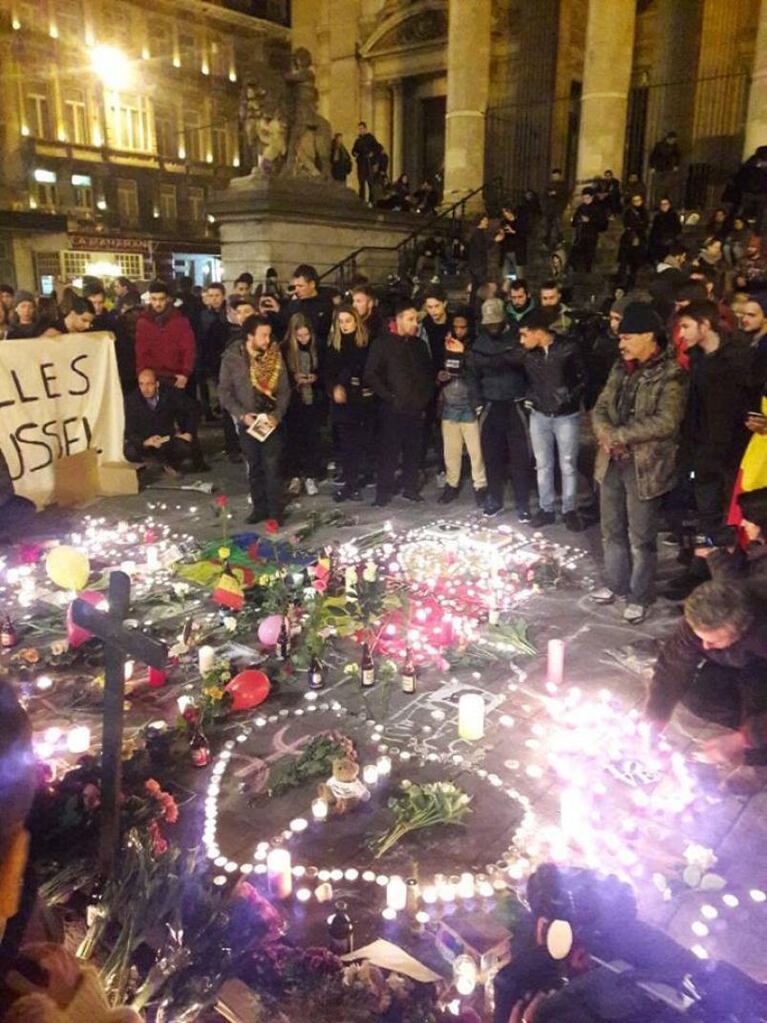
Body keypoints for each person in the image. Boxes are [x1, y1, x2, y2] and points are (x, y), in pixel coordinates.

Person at [591, 302, 688, 623]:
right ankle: (615, 584)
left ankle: (639, 594)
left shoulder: (671, 373)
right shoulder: (620, 368)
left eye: (628, 337)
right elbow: (600, 406)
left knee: (641, 537)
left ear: (649, 336)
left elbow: (667, 421)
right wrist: (606, 434)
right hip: (611, 460)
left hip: (644, 466)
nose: (621, 344)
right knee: (611, 529)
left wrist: (620, 435)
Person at [646, 582, 767, 777]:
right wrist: (656, 716)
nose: (705, 646)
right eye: (700, 638)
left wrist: (744, 738)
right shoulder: (701, 619)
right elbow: (673, 666)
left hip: (761, 669)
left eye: (713, 640)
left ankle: (758, 757)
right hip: (732, 664)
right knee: (699, 697)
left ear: (740, 630)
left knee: (756, 700)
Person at [675, 300, 750, 536]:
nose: (681, 334)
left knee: (732, 517)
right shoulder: (695, 360)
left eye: (686, 326)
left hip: (733, 454)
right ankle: (701, 565)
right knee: (706, 514)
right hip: (702, 453)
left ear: (704, 325)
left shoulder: (738, 359)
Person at [517, 310, 587, 531]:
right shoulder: (529, 354)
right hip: (539, 414)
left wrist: (568, 397)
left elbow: (584, 377)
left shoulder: (569, 348)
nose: (521, 340)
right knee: (543, 464)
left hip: (566, 416)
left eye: (524, 334)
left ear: (538, 333)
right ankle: (546, 508)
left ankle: (569, 509)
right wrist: (531, 397)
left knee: (567, 464)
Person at [218, 314, 290, 524]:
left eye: (268, 335)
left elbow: (284, 390)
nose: (267, 340)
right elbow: (224, 391)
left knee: (273, 466)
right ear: (250, 336)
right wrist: (241, 415)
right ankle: (260, 508)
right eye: (263, 335)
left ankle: (276, 511)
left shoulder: (274, 356)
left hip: (270, 419)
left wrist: (276, 415)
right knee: (255, 466)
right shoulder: (232, 357)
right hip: (247, 421)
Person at [466, 297, 532, 522]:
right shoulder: (479, 344)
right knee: (491, 456)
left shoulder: (516, 337)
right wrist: (476, 404)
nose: (492, 327)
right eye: (489, 324)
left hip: (515, 403)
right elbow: (472, 376)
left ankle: (522, 502)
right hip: (491, 404)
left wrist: (528, 399)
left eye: (496, 323)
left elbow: (524, 363)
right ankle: (494, 498)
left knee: (520, 457)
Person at [364, 299, 434, 506]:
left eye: (416, 320)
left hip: (416, 407)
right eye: (410, 319)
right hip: (392, 408)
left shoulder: (419, 346)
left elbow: (427, 374)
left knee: (413, 449)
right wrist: (390, 397)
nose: (415, 324)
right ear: (399, 320)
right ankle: (383, 491)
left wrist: (424, 399)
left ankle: (410, 487)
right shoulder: (382, 344)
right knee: (389, 451)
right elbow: (371, 374)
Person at [437, 310, 487, 505]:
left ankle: (480, 486)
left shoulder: (476, 347)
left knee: (476, 451)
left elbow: (477, 371)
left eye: (462, 327)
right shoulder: (447, 344)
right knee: (451, 450)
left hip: (469, 405)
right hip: (450, 403)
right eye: (455, 326)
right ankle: (452, 484)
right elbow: (441, 368)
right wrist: (441, 376)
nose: (458, 330)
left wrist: (463, 355)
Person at [325, 305, 374, 502]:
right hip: (343, 402)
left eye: (348, 321)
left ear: (356, 321)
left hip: (363, 400)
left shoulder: (367, 342)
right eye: (341, 321)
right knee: (347, 444)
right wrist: (334, 388)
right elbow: (328, 373)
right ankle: (351, 482)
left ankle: (366, 473)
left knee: (365, 441)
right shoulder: (334, 345)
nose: (344, 325)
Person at [124, 368, 206, 476]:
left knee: (185, 447)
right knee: (129, 451)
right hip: (145, 440)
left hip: (166, 439)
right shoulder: (132, 400)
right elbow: (128, 429)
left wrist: (189, 432)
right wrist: (145, 442)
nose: (145, 389)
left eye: (149, 384)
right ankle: (145, 464)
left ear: (157, 384)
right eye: (142, 384)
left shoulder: (169, 394)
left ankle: (171, 463)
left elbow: (193, 409)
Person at [282, 313, 323, 498]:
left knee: (312, 439)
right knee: (293, 441)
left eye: (306, 335)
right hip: (293, 402)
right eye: (299, 336)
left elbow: (323, 370)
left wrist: (316, 377)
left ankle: (311, 475)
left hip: (312, 401)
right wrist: (294, 378)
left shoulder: (317, 348)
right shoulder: (285, 350)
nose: (303, 339)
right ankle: (294, 475)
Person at [135, 280, 195, 390]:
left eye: (161, 299)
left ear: (167, 299)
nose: (158, 303)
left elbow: (188, 348)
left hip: (175, 376)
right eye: (154, 299)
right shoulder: (143, 322)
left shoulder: (180, 320)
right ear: (150, 299)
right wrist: (141, 373)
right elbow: (141, 350)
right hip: (152, 375)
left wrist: (186, 373)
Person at [196, 283, 229, 421]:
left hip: (223, 356)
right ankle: (207, 411)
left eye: (217, 295)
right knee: (205, 386)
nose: (214, 299)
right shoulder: (202, 315)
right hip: (206, 355)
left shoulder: (228, 314)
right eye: (211, 296)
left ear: (223, 296)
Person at [285, 264, 334, 345]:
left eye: (300, 286)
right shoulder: (294, 304)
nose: (296, 290)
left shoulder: (325, 303)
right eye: (295, 286)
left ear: (312, 284)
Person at [569, 188, 606, 273]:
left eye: (587, 198)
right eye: (584, 198)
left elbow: (602, 223)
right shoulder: (581, 208)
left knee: (589, 253)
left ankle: (587, 269)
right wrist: (578, 220)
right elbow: (574, 221)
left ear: (592, 198)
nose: (585, 200)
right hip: (580, 234)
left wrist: (590, 220)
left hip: (591, 234)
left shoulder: (597, 208)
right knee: (576, 253)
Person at [617, 194, 649, 289]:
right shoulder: (629, 212)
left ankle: (632, 281)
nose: (637, 203)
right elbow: (627, 223)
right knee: (625, 261)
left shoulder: (644, 212)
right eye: (635, 200)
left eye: (638, 200)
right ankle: (622, 281)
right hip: (629, 238)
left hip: (640, 238)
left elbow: (645, 224)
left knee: (635, 263)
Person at [648, 130, 681, 205]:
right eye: (672, 140)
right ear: (668, 139)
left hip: (669, 169)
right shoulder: (659, 145)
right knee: (659, 189)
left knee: (668, 188)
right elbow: (653, 156)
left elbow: (678, 156)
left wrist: (676, 165)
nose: (673, 141)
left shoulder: (675, 147)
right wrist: (652, 167)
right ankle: (657, 204)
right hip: (659, 168)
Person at [351, 121, 381, 203]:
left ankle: (371, 201)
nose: (360, 130)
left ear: (365, 129)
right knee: (361, 183)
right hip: (361, 163)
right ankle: (362, 200)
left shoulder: (370, 138)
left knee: (370, 183)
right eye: (359, 129)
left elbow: (378, 147)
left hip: (368, 163)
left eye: (361, 129)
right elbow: (354, 150)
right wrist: (355, 153)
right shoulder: (358, 140)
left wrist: (372, 154)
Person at [647, 197, 682, 265]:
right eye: (662, 204)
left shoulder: (673, 216)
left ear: (669, 205)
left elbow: (678, 229)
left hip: (670, 243)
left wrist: (670, 238)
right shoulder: (657, 217)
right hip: (658, 243)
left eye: (666, 204)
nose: (664, 206)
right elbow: (654, 231)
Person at [467, 214, 491, 306]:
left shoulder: (477, 233)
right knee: (481, 288)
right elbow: (482, 248)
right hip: (478, 265)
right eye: (485, 220)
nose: (487, 222)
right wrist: (494, 241)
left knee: (475, 288)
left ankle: (473, 307)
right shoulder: (478, 233)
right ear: (481, 221)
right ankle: (477, 307)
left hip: (475, 265)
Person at [495, 205, 524, 280]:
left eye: (506, 212)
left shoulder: (519, 222)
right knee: (507, 277)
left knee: (518, 276)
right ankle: (509, 287)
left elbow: (523, 236)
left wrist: (513, 231)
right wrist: (501, 234)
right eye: (503, 213)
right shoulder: (504, 222)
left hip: (516, 252)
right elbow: (500, 236)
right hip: (506, 252)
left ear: (511, 212)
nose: (505, 214)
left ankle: (518, 288)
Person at [541, 168, 568, 250]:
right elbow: (544, 196)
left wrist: (556, 194)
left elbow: (565, 197)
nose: (555, 177)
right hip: (549, 209)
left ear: (559, 176)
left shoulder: (562, 186)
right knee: (547, 227)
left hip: (557, 209)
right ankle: (545, 243)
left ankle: (560, 242)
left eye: (556, 175)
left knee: (558, 226)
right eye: (554, 175)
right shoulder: (548, 185)